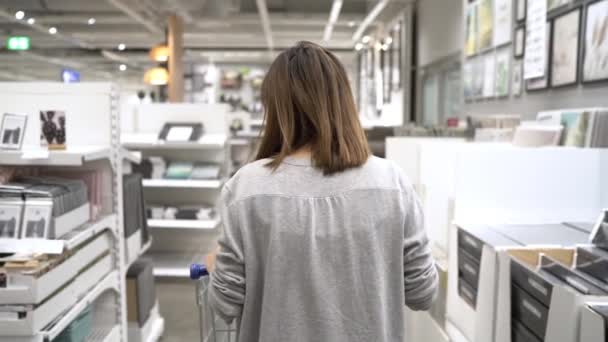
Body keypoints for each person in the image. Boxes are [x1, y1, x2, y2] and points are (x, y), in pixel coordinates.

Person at [205, 41, 438, 342]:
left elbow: (224, 303)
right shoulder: (392, 183)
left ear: (275, 108)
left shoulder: (246, 187)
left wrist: (218, 263)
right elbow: (423, 293)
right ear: (343, 102)